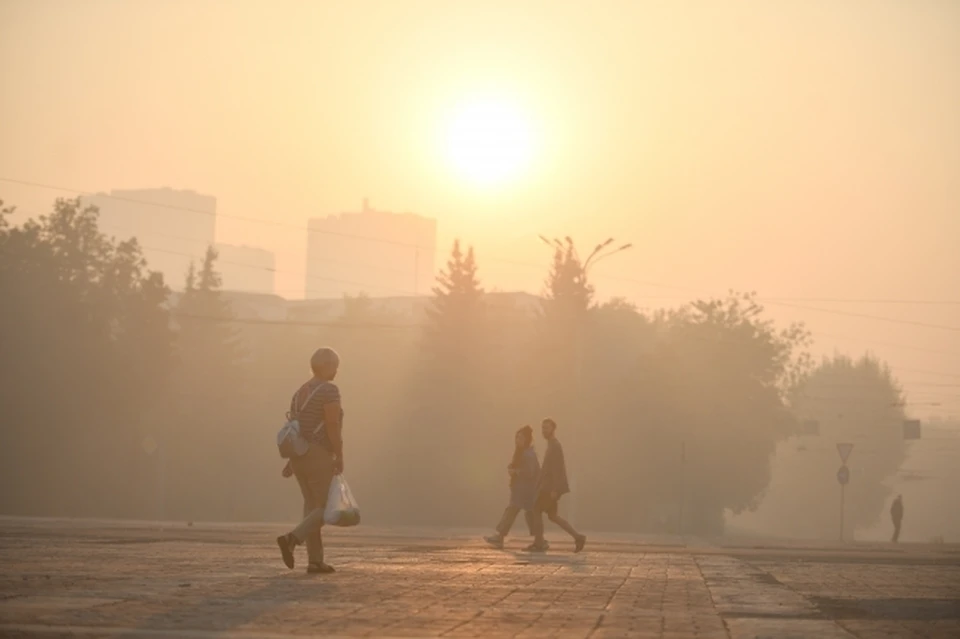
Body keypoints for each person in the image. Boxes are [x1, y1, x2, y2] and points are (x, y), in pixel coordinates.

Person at [276, 347, 345, 574]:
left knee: (311, 507)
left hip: (299, 456)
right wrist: (339, 453)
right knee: (325, 508)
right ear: (326, 366)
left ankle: (315, 561)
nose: (337, 370)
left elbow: (296, 428)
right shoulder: (329, 391)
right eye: (334, 365)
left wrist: (290, 461)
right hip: (318, 453)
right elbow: (332, 424)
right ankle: (291, 539)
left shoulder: (300, 392)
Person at [527, 418, 586, 553]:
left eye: (546, 428)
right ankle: (578, 537)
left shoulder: (555, 446)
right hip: (547, 487)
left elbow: (558, 469)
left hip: (549, 488)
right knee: (553, 516)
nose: (544, 431)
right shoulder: (551, 445)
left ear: (553, 429)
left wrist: (555, 489)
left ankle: (539, 543)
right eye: (542, 428)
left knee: (536, 510)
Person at [484, 426, 541, 549]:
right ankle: (539, 539)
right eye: (516, 437)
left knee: (513, 511)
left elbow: (530, 472)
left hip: (525, 490)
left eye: (520, 438)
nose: (517, 440)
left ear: (527, 439)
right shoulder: (523, 452)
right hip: (524, 489)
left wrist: (516, 472)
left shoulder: (528, 454)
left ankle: (500, 536)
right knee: (529, 513)